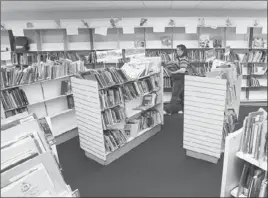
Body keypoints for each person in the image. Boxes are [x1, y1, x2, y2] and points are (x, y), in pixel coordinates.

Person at [164, 44, 189, 115]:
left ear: (182, 51)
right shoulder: (180, 58)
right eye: (176, 50)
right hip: (179, 78)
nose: (177, 52)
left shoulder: (184, 58)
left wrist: (173, 72)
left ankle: (167, 110)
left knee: (175, 95)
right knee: (182, 95)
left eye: (178, 50)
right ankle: (182, 109)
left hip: (180, 78)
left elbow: (183, 70)